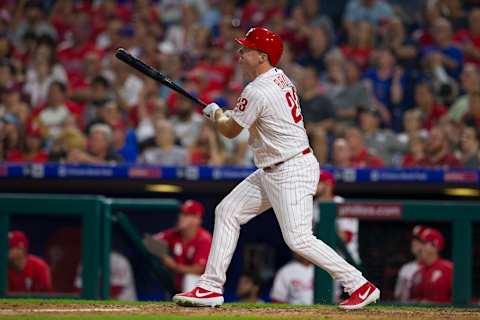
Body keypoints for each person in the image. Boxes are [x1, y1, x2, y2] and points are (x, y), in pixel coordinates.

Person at [172, 27, 379, 310]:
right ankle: (210, 286)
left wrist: (217, 115)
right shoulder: (279, 78)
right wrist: (223, 114)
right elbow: (253, 120)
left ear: (262, 56)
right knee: (227, 211)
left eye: (246, 50)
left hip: (290, 169)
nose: (240, 54)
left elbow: (231, 131)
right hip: (274, 168)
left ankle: (358, 284)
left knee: (299, 238)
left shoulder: (257, 89)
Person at [144, 200, 212, 293]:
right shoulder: (174, 234)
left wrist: (174, 266)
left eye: (187, 215)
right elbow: (148, 241)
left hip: (205, 287)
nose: (181, 217)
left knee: (190, 277)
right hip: (179, 284)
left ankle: (193, 305)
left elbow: (198, 269)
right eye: (182, 213)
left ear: (197, 219)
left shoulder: (204, 239)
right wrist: (164, 255)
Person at [410, 227, 453, 304]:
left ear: (435, 246)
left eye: (423, 243)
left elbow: (460, 302)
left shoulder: (449, 269)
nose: (420, 248)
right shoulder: (417, 273)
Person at [394, 225, 425, 303]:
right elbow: (397, 295)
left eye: (418, 240)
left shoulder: (439, 269)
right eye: (413, 240)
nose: (413, 243)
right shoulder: (406, 268)